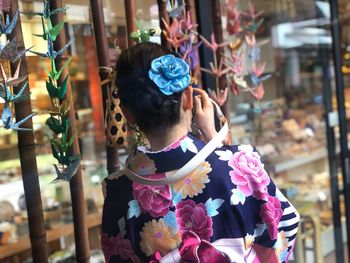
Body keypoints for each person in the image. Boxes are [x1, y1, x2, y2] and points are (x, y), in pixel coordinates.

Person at [101, 42, 299, 263]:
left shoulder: (117, 189)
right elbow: (286, 226)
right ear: (187, 99)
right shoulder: (239, 164)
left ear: (127, 114)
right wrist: (215, 141)